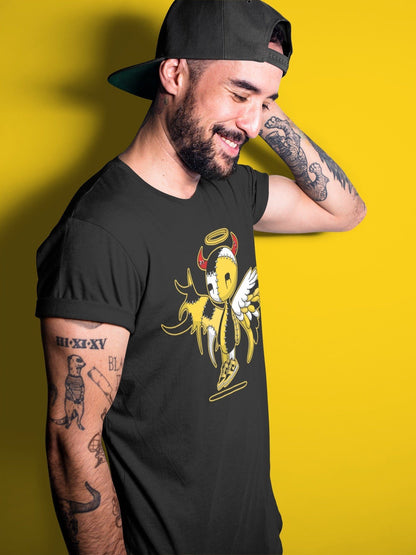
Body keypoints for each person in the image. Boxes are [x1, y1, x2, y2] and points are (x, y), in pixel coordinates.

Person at [36, 0, 366, 553]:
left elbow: (346, 211)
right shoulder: (100, 232)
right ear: (174, 74)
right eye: (238, 94)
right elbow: (74, 444)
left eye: (267, 102)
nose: (253, 124)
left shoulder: (229, 187)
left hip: (255, 536)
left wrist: (256, 106)